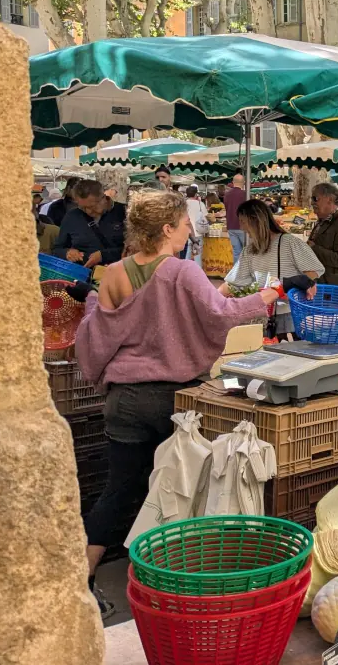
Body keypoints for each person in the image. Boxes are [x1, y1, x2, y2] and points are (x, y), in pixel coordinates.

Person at [74, 190, 281, 618]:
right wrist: (268, 295)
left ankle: (83, 579)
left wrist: (93, 301)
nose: (190, 228)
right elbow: (223, 313)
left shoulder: (113, 274)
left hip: (124, 401)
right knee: (179, 491)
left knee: (120, 489)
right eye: (185, 222)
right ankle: (167, 582)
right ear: (167, 228)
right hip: (175, 400)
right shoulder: (183, 271)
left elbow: (97, 335)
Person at [225, 200, 322, 337]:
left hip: (289, 314)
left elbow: (313, 271)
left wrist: (297, 287)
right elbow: (234, 282)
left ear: (255, 220)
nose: (241, 228)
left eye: (243, 222)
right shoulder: (250, 250)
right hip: (263, 315)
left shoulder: (288, 242)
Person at [54, 180, 127, 268]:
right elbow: (57, 249)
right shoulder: (72, 216)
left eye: (92, 206)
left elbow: (136, 250)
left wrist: (103, 255)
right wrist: (67, 253)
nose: (88, 211)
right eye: (83, 207)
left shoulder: (124, 213)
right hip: (83, 274)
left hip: (118, 272)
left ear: (103, 198)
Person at [308, 182, 338, 286]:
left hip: (332, 287)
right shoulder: (321, 221)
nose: (312, 202)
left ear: (329, 199)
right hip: (318, 283)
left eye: (315, 198)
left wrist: (314, 248)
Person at [184, 185, 210, 266]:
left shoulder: (183, 204)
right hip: (198, 232)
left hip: (186, 232)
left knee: (187, 253)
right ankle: (198, 273)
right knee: (197, 255)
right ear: (195, 194)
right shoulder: (200, 204)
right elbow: (206, 215)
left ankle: (184, 271)